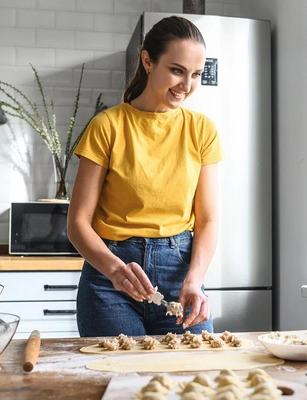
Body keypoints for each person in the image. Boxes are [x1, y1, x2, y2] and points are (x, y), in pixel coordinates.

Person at [67, 16, 223, 337]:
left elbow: (207, 220)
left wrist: (194, 280)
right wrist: (114, 270)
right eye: (177, 70)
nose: (186, 84)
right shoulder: (107, 126)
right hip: (111, 280)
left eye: (195, 74)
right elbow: (78, 222)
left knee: (196, 376)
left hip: (179, 273)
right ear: (148, 61)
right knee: (122, 381)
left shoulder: (202, 129)